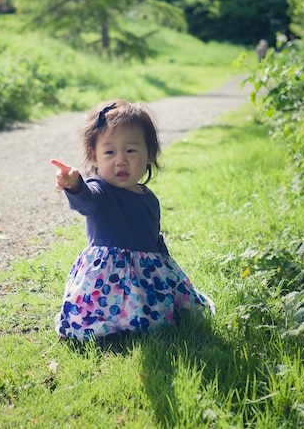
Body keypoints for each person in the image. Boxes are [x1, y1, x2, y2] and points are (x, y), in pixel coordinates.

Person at [50, 99, 215, 341]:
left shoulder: (149, 198)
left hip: (146, 275)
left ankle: (138, 319)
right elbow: (86, 201)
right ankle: (113, 324)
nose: (121, 160)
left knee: (160, 316)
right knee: (99, 317)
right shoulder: (100, 191)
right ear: (94, 157)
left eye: (130, 150)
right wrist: (74, 186)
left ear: (149, 154)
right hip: (107, 281)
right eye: (109, 152)